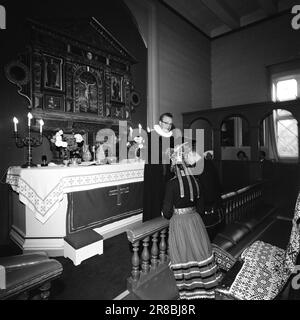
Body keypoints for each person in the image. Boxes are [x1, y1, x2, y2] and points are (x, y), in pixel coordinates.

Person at [161, 144, 221, 300]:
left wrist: (168, 211)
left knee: (184, 255)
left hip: (180, 223)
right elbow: (200, 209)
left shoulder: (171, 184)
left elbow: (167, 213)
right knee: (199, 253)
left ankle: (188, 290)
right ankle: (206, 288)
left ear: (173, 166)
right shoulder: (196, 181)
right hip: (196, 221)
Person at [143, 113, 174, 222]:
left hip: (168, 175)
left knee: (167, 200)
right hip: (154, 175)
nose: (169, 126)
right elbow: (147, 154)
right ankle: (153, 226)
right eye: (166, 123)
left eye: (170, 124)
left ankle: (166, 223)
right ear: (160, 123)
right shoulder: (151, 135)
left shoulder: (172, 138)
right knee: (154, 201)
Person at [197, 151, 223, 241]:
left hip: (207, 208)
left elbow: (205, 189)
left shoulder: (200, 167)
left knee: (206, 238)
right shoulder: (209, 164)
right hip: (214, 205)